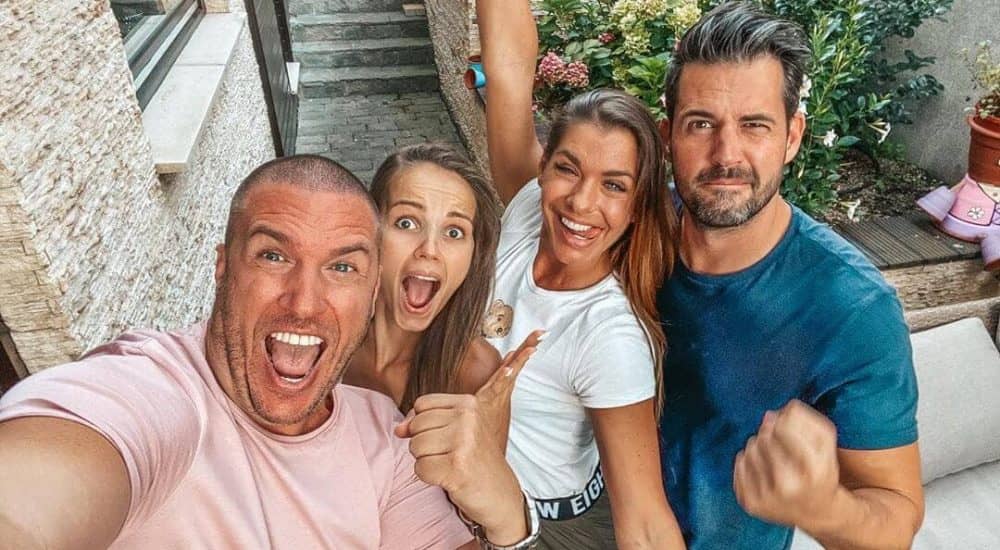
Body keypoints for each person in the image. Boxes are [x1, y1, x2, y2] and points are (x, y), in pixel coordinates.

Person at [0, 155, 539, 549]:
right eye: (273, 256)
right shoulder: (155, 392)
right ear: (222, 266)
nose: (304, 303)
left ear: (370, 281)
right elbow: (44, 486)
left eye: (341, 266)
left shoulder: (387, 427)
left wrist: (507, 510)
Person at [655, 3, 924, 549]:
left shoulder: (853, 309)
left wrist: (824, 508)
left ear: (793, 136)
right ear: (667, 136)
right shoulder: (635, 229)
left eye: (754, 125)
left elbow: (896, 518)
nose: (726, 154)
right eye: (701, 124)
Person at [477, 0, 685, 548]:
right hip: (472, 493)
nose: (581, 203)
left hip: (549, 526)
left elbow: (645, 522)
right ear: (543, 168)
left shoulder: (608, 336)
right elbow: (508, 70)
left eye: (614, 185)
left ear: (637, 207)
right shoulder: (529, 208)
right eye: (568, 169)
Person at [343, 143, 505, 410]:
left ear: (473, 254)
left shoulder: (477, 373)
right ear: (372, 230)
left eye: (454, 232)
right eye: (407, 223)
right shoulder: (328, 333)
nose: (429, 250)